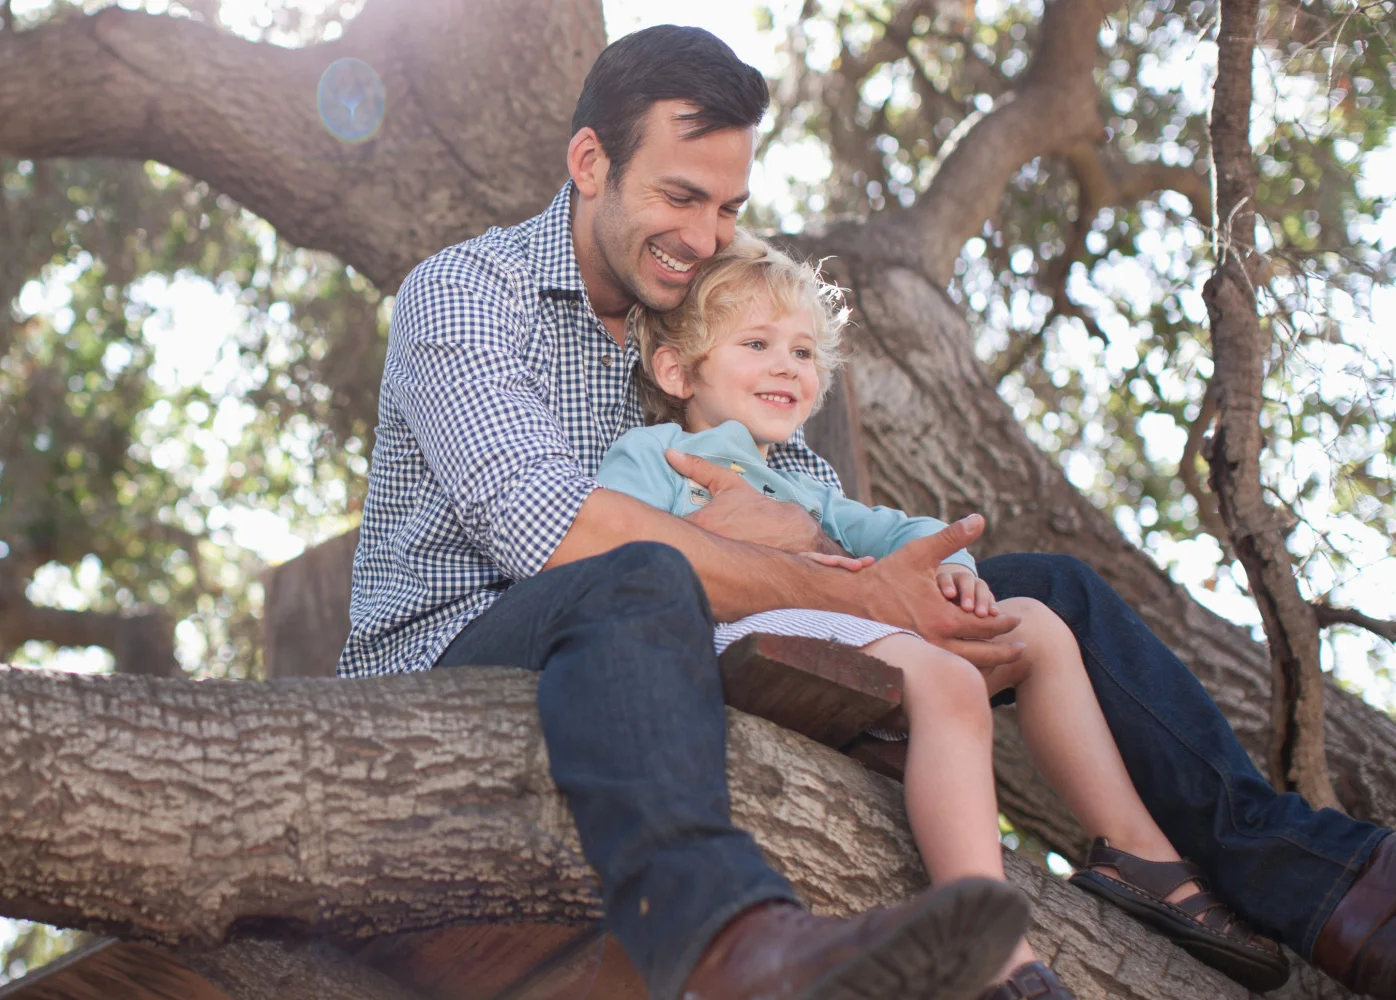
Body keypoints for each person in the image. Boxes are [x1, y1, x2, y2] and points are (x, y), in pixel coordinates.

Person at [338, 24, 1396, 1000]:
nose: (704, 235)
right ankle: (726, 939)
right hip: (462, 655)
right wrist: (777, 561)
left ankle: (1307, 880)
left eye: (726, 207)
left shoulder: (706, 319)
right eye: (678, 197)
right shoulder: (469, 294)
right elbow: (556, 538)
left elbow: (816, 514)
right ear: (587, 165)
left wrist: (880, 575)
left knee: (1052, 593)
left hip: (681, 642)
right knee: (637, 570)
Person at [595, 233, 1290, 996]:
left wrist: (955, 573)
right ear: (676, 368)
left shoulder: (805, 479)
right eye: (757, 344)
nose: (787, 365)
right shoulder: (653, 452)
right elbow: (618, 559)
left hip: (850, 637)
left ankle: (1136, 853)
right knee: (951, 683)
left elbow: (904, 534)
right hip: (739, 643)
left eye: (803, 352)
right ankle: (997, 955)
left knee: (1034, 626)